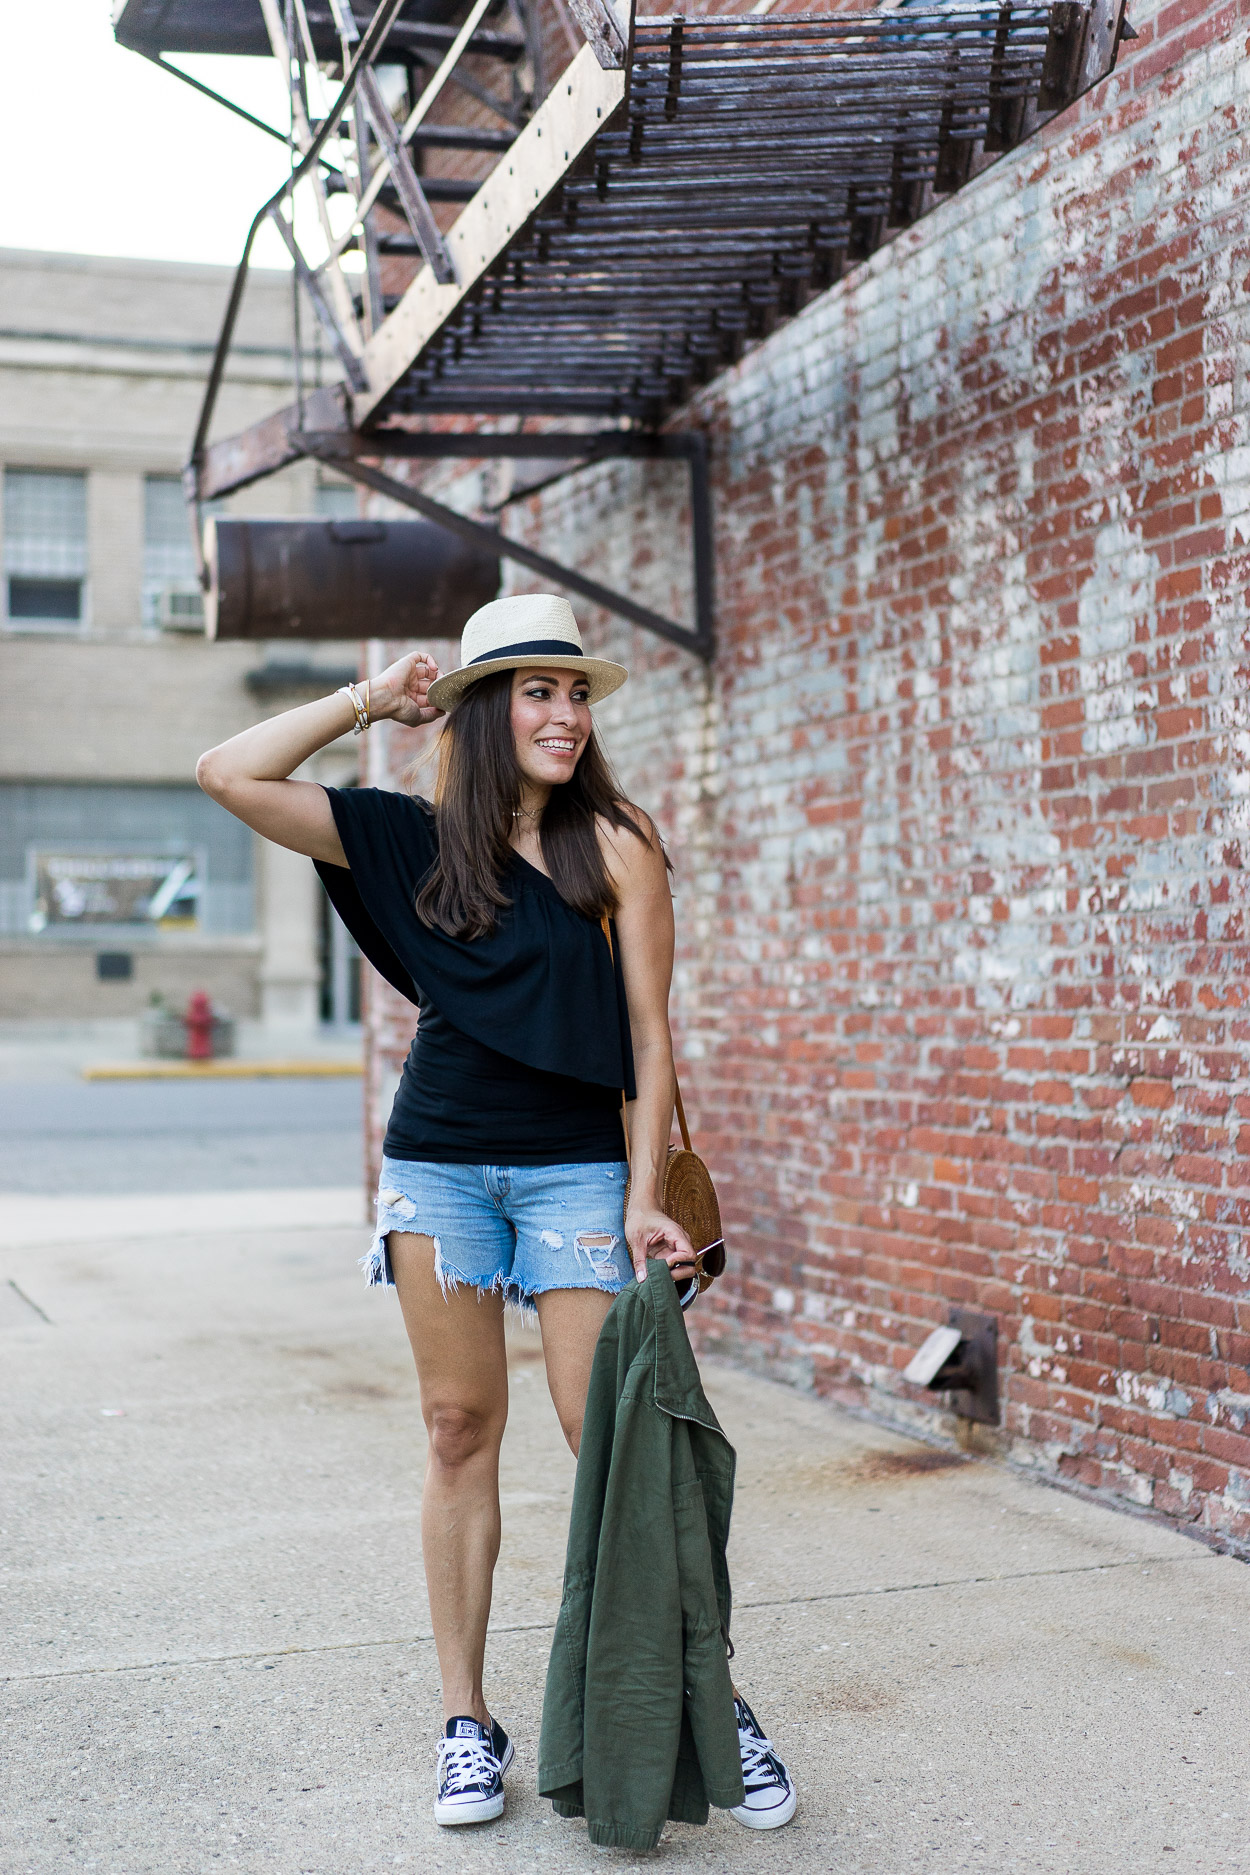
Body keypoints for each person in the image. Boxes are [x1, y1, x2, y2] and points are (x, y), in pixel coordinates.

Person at [196, 592, 795, 1832]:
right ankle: (467, 1722)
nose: (564, 715)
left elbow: (649, 1038)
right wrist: (372, 700)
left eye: (574, 693)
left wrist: (642, 1196)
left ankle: (713, 1700)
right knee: (457, 1427)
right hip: (441, 1169)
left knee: (615, 1441)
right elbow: (229, 772)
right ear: (480, 710)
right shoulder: (405, 839)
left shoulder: (615, 842)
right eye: (536, 691)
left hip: (577, 1171)